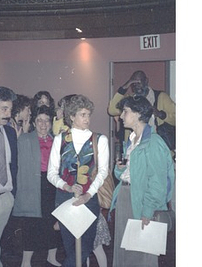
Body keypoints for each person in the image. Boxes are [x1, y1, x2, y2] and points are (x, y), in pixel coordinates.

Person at [109, 96, 175, 267]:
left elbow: (157, 181)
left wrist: (148, 210)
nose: (121, 116)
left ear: (138, 114)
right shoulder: (132, 141)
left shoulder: (153, 142)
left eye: (125, 111)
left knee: (141, 252)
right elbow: (126, 174)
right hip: (125, 196)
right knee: (126, 250)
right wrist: (120, 169)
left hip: (140, 200)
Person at [47, 94, 110, 267]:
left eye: (88, 114)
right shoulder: (60, 140)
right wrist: (66, 186)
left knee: (85, 247)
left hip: (89, 200)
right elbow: (51, 173)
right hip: (64, 199)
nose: (87, 118)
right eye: (82, 114)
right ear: (72, 116)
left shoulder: (100, 140)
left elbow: (103, 172)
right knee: (70, 248)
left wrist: (89, 194)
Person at [12, 105, 62, 267]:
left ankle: (51, 256)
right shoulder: (25, 139)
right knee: (31, 224)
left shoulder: (57, 140)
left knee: (52, 221)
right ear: (34, 122)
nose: (43, 124)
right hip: (32, 184)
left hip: (52, 184)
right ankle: (26, 261)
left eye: (46, 121)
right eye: (39, 120)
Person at [107, 70, 175, 148]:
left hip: (158, 147)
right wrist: (126, 85)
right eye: (134, 83)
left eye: (139, 82)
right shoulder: (131, 100)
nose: (137, 86)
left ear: (146, 81)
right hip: (134, 146)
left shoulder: (161, 97)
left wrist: (160, 114)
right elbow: (112, 110)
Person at [0, 86, 18, 267]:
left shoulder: (9, 132)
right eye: (4, 109)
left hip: (5, 199)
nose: (8, 114)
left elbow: (13, 166)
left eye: (10, 109)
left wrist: (12, 196)